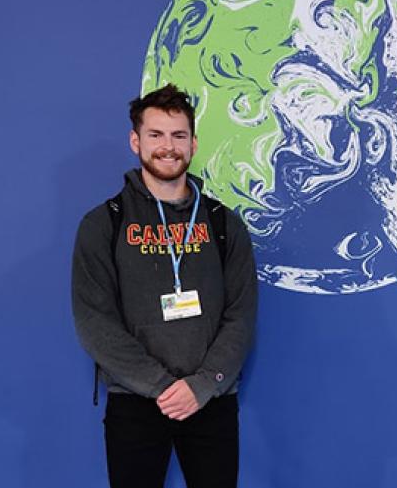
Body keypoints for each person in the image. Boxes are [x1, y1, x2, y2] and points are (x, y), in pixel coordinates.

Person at [71, 84, 257, 488]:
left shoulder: (225, 224)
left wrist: (203, 385)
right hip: (136, 402)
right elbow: (94, 322)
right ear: (135, 140)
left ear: (193, 144)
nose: (168, 147)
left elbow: (241, 314)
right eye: (155, 135)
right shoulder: (103, 224)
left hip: (211, 399)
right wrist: (162, 387)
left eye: (178, 136)